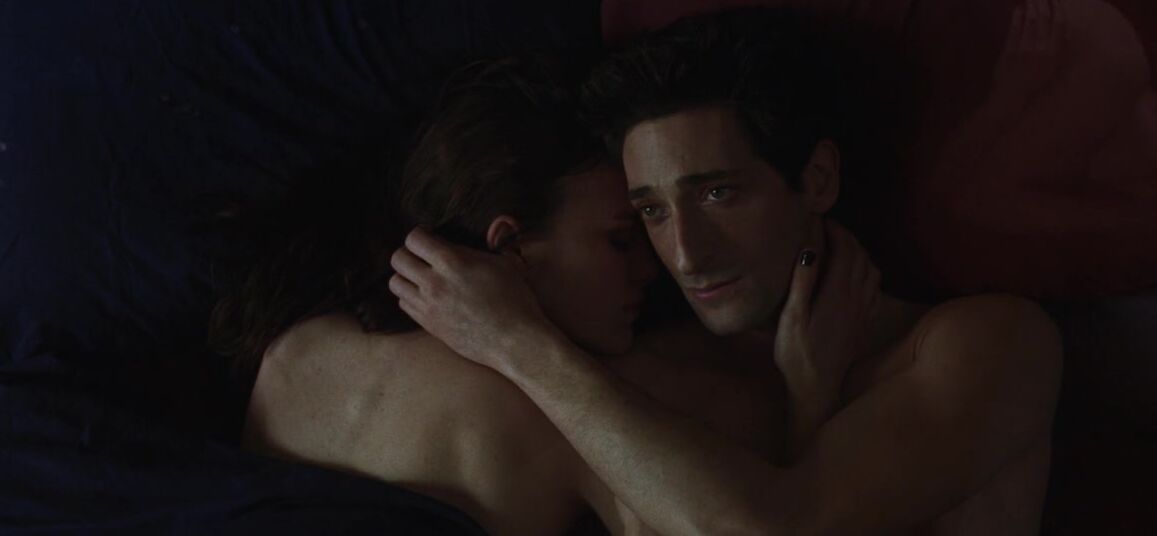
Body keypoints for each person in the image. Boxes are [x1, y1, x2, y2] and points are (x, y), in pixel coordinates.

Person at [388, 7, 1064, 535]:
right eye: (651, 211)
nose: (685, 254)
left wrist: (517, 342)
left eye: (717, 194)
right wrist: (805, 409)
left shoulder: (985, 342)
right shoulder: (645, 373)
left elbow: (783, 526)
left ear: (817, 179)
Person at [223, 55, 674, 535]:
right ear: (510, 245)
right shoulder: (567, 419)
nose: (652, 270)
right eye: (619, 241)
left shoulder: (294, 347)